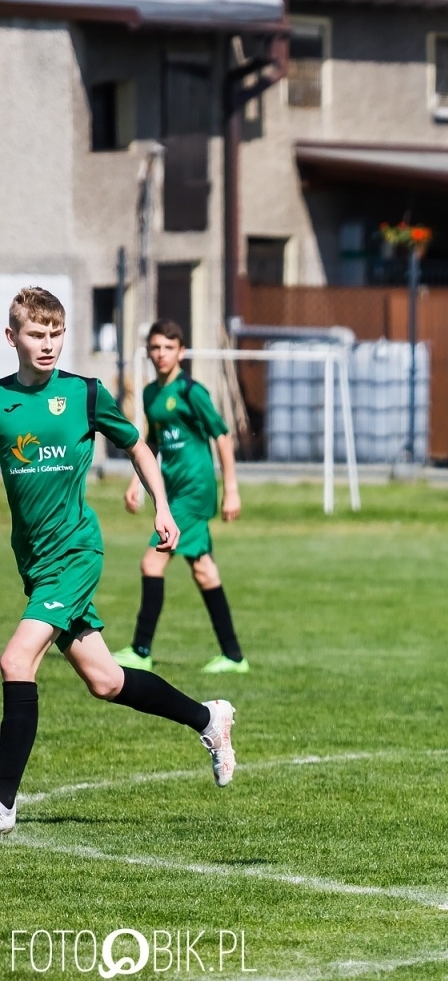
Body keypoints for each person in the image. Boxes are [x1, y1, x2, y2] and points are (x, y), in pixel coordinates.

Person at [0, 288, 236, 836]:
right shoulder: (2, 400)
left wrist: (162, 507)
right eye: (36, 334)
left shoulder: (84, 394)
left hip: (75, 554)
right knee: (105, 681)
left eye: (56, 334)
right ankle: (209, 718)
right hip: (35, 563)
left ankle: (3, 803)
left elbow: (137, 446)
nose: (48, 344)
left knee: (15, 661)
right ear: (11, 337)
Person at [112, 320, 247, 673]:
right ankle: (234, 657)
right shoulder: (149, 394)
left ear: (181, 352)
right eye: (156, 347)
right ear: (148, 351)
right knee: (204, 571)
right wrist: (136, 482)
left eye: (168, 348)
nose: (161, 354)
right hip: (173, 492)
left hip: (194, 491)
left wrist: (231, 489)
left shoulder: (191, 391)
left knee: (151, 563)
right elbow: (153, 442)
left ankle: (141, 650)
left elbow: (222, 436)